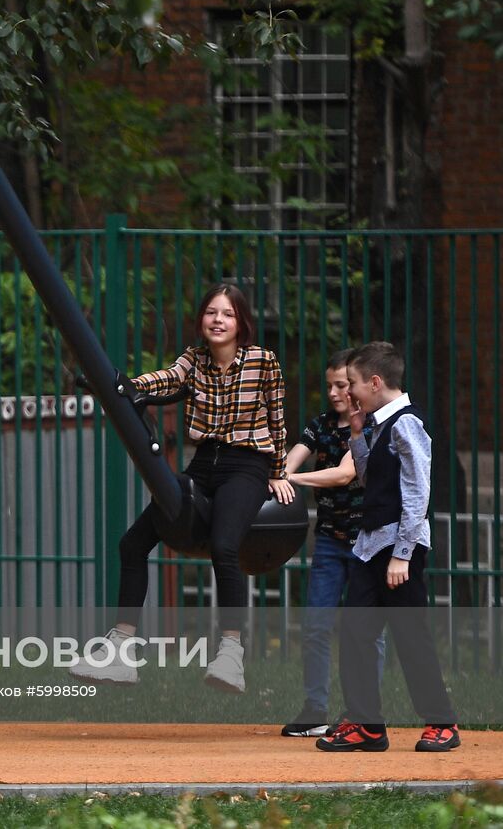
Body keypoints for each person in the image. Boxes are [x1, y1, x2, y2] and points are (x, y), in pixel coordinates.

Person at [70, 283, 292, 693]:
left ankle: (230, 653)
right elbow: (166, 379)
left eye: (227, 314)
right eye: (211, 312)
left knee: (225, 547)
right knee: (132, 544)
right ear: (202, 320)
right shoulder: (195, 360)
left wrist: (278, 471)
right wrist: (120, 385)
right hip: (204, 463)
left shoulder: (264, 361)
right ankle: (120, 650)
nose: (218, 320)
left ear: (241, 322)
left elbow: (277, 418)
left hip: (247, 466)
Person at [316, 341, 460, 752]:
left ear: (375, 382)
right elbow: (366, 478)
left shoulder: (406, 424)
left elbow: (418, 491)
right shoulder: (379, 425)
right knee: (356, 634)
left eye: (354, 385)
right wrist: (358, 436)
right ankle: (367, 725)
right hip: (369, 547)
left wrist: (403, 553)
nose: (348, 394)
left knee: (410, 635)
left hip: (399, 549)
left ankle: (442, 722)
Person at [281, 350, 386, 737]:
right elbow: (292, 459)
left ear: (358, 385)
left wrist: (293, 480)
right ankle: (315, 709)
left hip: (366, 543)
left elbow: (345, 474)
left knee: (365, 631)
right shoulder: (320, 425)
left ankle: (365, 711)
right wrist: (280, 474)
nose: (334, 392)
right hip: (328, 540)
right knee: (315, 626)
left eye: (341, 385)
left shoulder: (371, 427)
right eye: (329, 385)